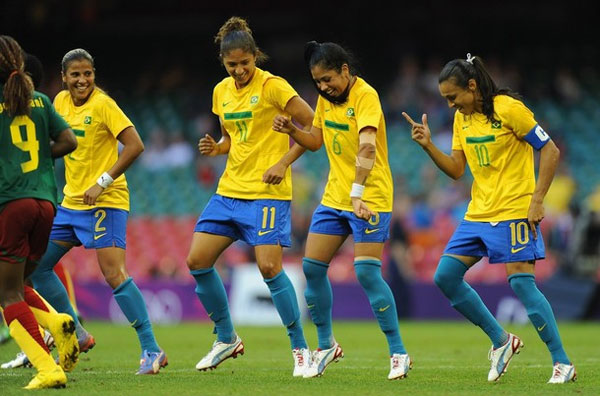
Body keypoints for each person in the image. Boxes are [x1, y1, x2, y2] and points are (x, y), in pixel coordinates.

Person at [402, 53, 575, 384]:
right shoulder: (461, 120)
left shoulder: (509, 109)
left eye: (453, 98)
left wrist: (537, 200)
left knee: (523, 286)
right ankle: (501, 341)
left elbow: (549, 149)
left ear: (471, 86)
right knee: (446, 276)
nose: (451, 105)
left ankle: (562, 363)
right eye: (445, 100)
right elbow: (455, 169)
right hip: (478, 213)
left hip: (514, 211)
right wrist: (427, 146)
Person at [272, 41, 411, 380]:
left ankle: (398, 353)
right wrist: (293, 132)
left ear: (345, 71)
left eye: (328, 79)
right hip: (335, 197)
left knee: (366, 273)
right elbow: (316, 141)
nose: (323, 86)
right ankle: (326, 345)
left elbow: (367, 147)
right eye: (317, 81)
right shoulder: (325, 100)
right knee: (312, 267)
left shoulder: (366, 96)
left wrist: (359, 193)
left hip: (370, 196)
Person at [186, 16, 314, 377]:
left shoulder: (274, 87)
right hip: (229, 191)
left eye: (246, 63)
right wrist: (218, 147)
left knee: (270, 267)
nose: (240, 70)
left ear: (256, 56)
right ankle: (226, 337)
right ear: (223, 63)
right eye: (233, 65)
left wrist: (284, 161)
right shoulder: (220, 92)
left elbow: (313, 126)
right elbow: (233, 138)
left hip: (267, 193)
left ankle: (300, 348)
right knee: (197, 261)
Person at [28, 48, 168, 375]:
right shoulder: (59, 102)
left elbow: (135, 145)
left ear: (94, 74)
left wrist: (102, 182)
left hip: (106, 201)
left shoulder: (104, 105)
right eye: (75, 74)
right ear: (63, 77)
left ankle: (152, 349)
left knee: (114, 274)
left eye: (87, 73)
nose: (82, 80)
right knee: (38, 266)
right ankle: (76, 332)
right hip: (71, 204)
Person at [0, 35, 79, 389]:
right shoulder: (42, 101)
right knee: (17, 284)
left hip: (11, 204)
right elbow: (69, 142)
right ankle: (57, 322)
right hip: (46, 204)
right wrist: (38, 164)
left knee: (8, 295)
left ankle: (47, 367)